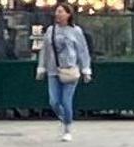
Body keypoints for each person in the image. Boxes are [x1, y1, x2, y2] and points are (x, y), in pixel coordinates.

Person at [37, 10, 93, 138]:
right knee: (54, 101)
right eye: (56, 12)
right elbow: (44, 49)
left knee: (66, 100)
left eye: (61, 12)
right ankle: (63, 117)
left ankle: (67, 127)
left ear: (68, 15)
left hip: (70, 69)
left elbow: (83, 50)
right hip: (53, 70)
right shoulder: (51, 30)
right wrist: (41, 67)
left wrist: (85, 69)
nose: (58, 14)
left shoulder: (75, 31)